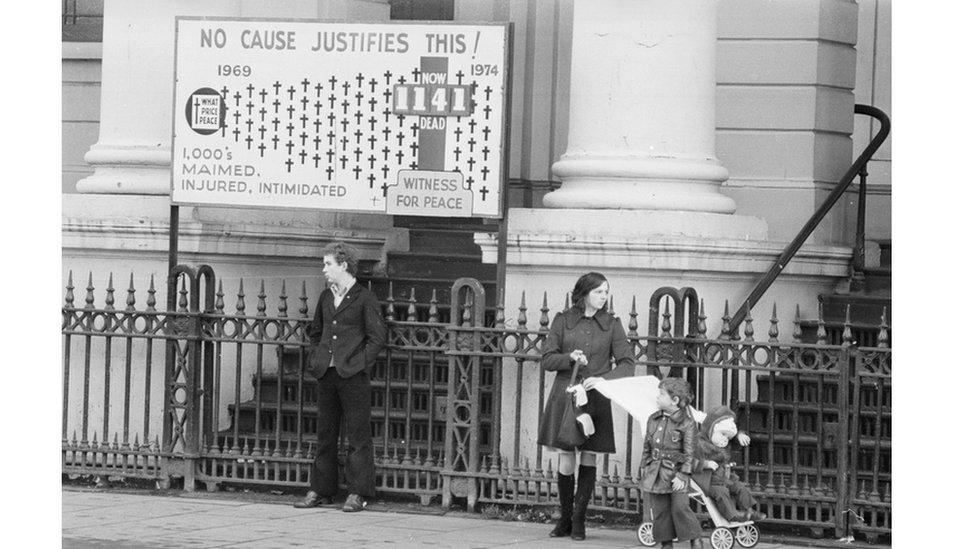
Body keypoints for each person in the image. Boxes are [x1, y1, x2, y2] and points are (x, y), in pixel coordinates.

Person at [539, 272, 636, 541]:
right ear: (583, 294)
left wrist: (601, 379)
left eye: (606, 292)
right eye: (599, 292)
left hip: (595, 396)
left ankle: (580, 520)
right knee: (566, 455)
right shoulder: (562, 320)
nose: (604, 297)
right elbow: (547, 359)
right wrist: (570, 357)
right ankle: (565, 520)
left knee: (590, 455)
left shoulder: (613, 324)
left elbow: (627, 363)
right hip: (566, 394)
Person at [294, 242, 387, 512]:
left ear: (344, 265)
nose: (324, 269)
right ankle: (321, 490)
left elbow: (377, 337)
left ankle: (357, 492)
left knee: (358, 435)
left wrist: (358, 364)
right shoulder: (326, 297)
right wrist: (317, 357)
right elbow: (316, 331)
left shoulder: (364, 297)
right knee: (326, 433)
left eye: (328, 264)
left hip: (352, 375)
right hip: (327, 373)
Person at [641, 378, 703, 549]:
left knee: (680, 509)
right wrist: (645, 467)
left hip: (676, 475)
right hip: (656, 474)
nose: (657, 397)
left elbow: (689, 453)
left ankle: (695, 539)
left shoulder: (687, 423)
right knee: (660, 512)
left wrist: (683, 475)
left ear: (675, 400)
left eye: (662, 394)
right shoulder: (653, 419)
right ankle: (666, 544)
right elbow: (647, 445)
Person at [691, 406, 766, 522]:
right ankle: (733, 515)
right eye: (723, 435)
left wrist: (739, 435)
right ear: (711, 430)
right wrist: (705, 464)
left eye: (728, 437)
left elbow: (730, 435)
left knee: (739, 486)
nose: (725, 440)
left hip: (723, 478)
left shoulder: (721, 441)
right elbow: (689, 462)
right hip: (708, 481)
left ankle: (749, 510)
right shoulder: (699, 445)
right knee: (722, 492)